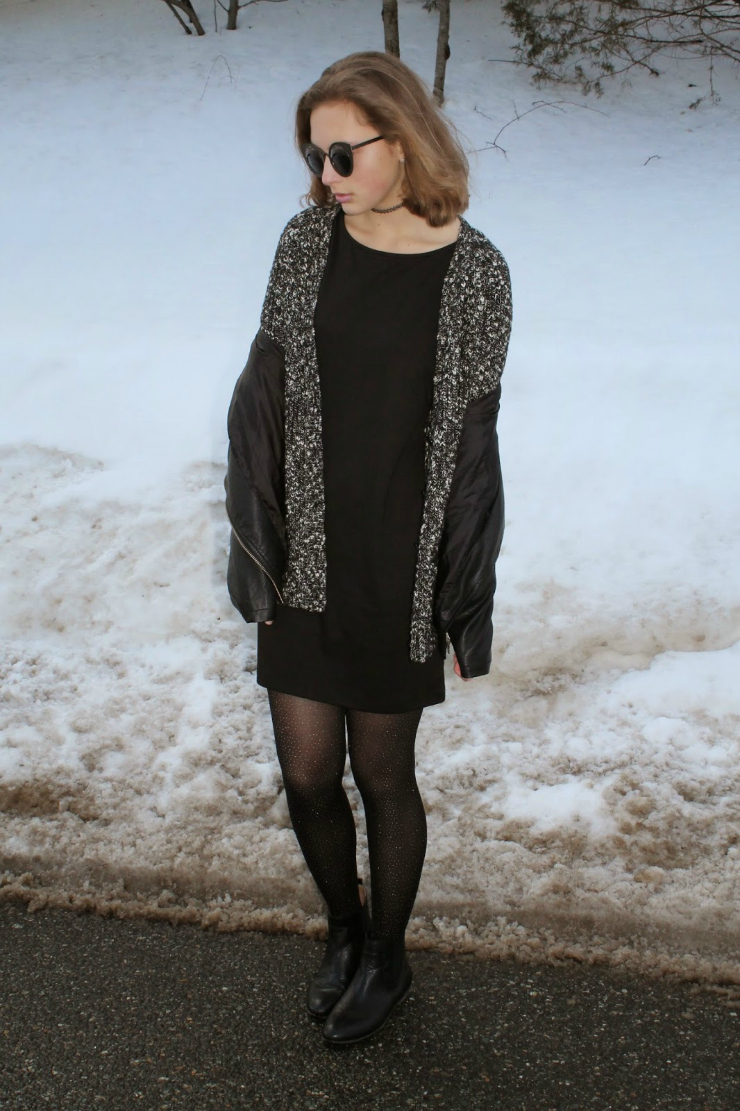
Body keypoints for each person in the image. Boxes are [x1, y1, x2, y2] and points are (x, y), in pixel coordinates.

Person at [224, 51, 512, 1046]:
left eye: (342, 154)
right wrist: (251, 532)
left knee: (382, 774)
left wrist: (463, 589)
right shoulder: (306, 243)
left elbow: (473, 441)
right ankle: (342, 929)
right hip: (305, 552)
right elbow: (259, 395)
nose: (326, 177)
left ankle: (387, 952)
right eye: (314, 158)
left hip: (397, 563)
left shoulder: (473, 270)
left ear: (404, 141)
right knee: (306, 771)